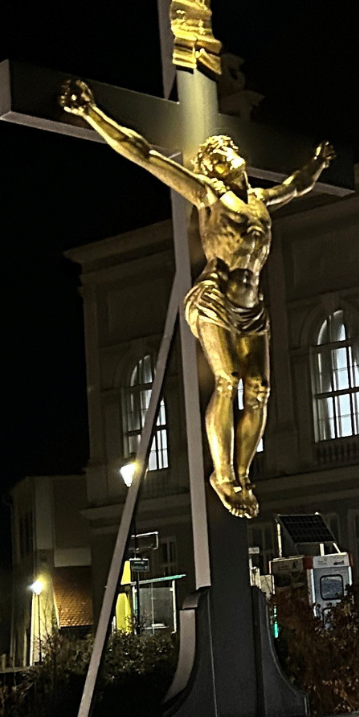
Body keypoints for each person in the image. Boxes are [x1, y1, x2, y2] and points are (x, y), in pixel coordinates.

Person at [60, 77, 333, 518]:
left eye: (226, 148)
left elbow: (298, 185)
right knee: (228, 379)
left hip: (252, 306)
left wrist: (318, 164)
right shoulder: (209, 194)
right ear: (213, 169)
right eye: (217, 154)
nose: (227, 152)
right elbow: (143, 153)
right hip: (214, 298)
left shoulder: (261, 199)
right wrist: (92, 113)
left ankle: (242, 472)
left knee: (260, 390)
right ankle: (222, 474)